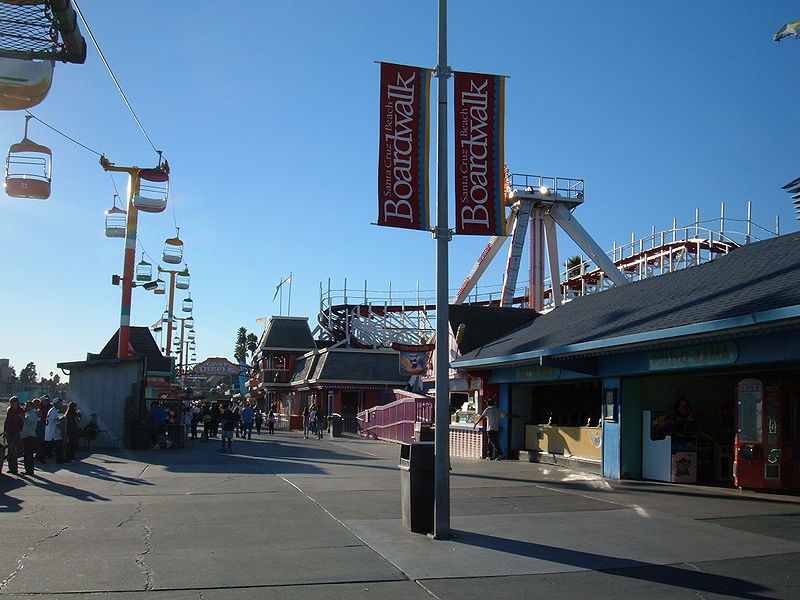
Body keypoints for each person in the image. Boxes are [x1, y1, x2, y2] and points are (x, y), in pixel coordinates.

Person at [4, 396, 25, 474]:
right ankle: (11, 468)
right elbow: (7, 420)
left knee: (13, 448)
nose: (14, 403)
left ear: (18, 402)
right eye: (12, 402)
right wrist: (5, 430)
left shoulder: (21, 410)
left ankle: (15, 468)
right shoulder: (9, 410)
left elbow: (23, 421)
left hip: (17, 431)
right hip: (9, 430)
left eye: (15, 402)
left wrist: (21, 430)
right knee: (10, 449)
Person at [20, 398, 40, 475]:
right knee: (27, 453)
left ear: (32, 407)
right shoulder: (29, 413)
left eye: (28, 406)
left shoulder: (32, 414)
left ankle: (29, 470)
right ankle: (28, 469)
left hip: (29, 435)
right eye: (26, 406)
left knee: (28, 454)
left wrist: (22, 418)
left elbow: (29, 422)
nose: (26, 407)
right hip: (27, 435)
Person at [45, 398, 65, 464]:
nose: (61, 404)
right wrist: (61, 429)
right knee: (59, 447)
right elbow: (56, 423)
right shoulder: (54, 411)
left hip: (52, 432)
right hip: (53, 432)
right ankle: (59, 460)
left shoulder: (53, 411)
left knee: (57, 447)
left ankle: (58, 458)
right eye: (59, 403)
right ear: (55, 403)